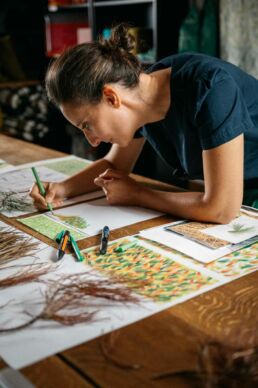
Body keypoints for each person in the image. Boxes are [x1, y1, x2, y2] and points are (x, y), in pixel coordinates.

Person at [30, 24, 258, 223]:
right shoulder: (138, 93)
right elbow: (115, 164)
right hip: (233, 193)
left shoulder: (210, 89)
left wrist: (138, 194)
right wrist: (62, 189)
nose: (92, 140)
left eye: (87, 125)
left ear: (111, 98)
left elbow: (222, 208)